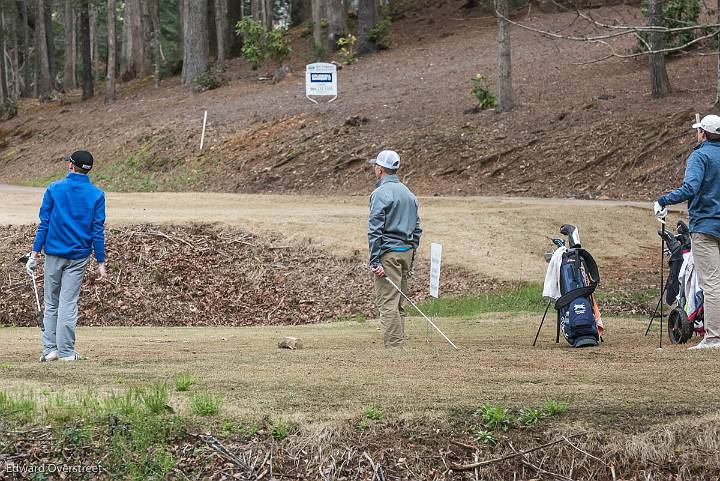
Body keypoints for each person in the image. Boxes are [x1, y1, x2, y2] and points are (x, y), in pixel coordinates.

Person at [26, 150, 107, 362]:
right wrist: (101, 262)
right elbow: (97, 229)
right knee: (68, 303)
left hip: (54, 253)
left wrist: (35, 253)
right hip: (79, 256)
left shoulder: (54, 189)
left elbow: (44, 223)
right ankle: (67, 352)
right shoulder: (97, 194)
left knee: (52, 303)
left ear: (71, 166)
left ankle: (50, 350)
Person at [655, 114, 720, 350]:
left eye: (699, 130)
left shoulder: (700, 155)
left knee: (711, 284)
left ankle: (713, 338)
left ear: (703, 134)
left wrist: (663, 200)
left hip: (705, 227)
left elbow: (690, 188)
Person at [367, 150, 422, 347]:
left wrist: (374, 260)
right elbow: (417, 228)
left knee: (388, 302)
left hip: (388, 254)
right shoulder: (409, 193)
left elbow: (375, 230)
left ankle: (394, 347)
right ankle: (397, 343)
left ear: (380, 169)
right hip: (406, 252)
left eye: (375, 165)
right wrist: (412, 254)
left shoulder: (380, 193)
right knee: (399, 301)